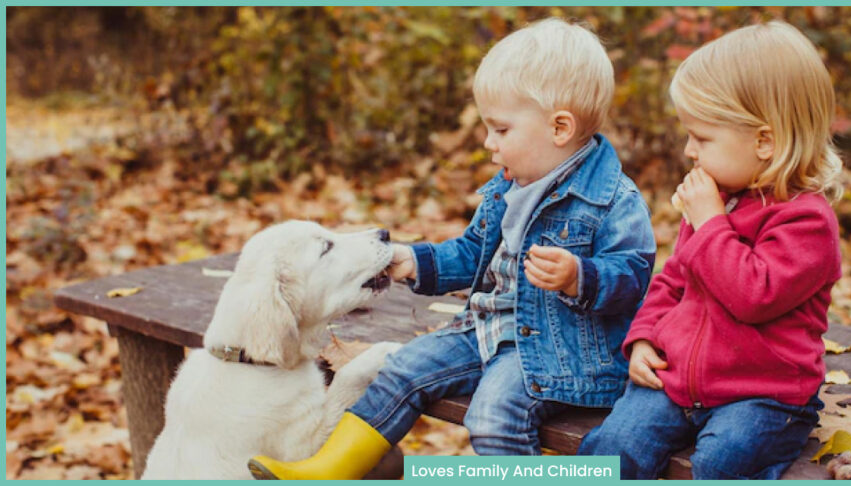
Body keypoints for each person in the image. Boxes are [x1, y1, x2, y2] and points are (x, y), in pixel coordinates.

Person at [248, 17, 656, 480]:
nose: (488, 143)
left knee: (493, 414)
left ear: (560, 127)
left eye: (500, 130)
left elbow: (634, 277)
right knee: (401, 370)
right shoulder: (508, 188)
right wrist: (413, 261)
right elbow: (470, 255)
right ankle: (327, 468)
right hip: (486, 329)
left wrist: (579, 276)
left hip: (555, 352)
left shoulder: (612, 199)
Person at [577, 20, 844, 480]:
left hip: (763, 393)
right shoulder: (716, 202)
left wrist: (710, 224)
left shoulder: (807, 221)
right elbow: (673, 281)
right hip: (680, 379)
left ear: (766, 141)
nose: (688, 150)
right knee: (612, 447)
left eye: (702, 138)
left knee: (725, 459)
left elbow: (754, 296)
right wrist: (644, 338)